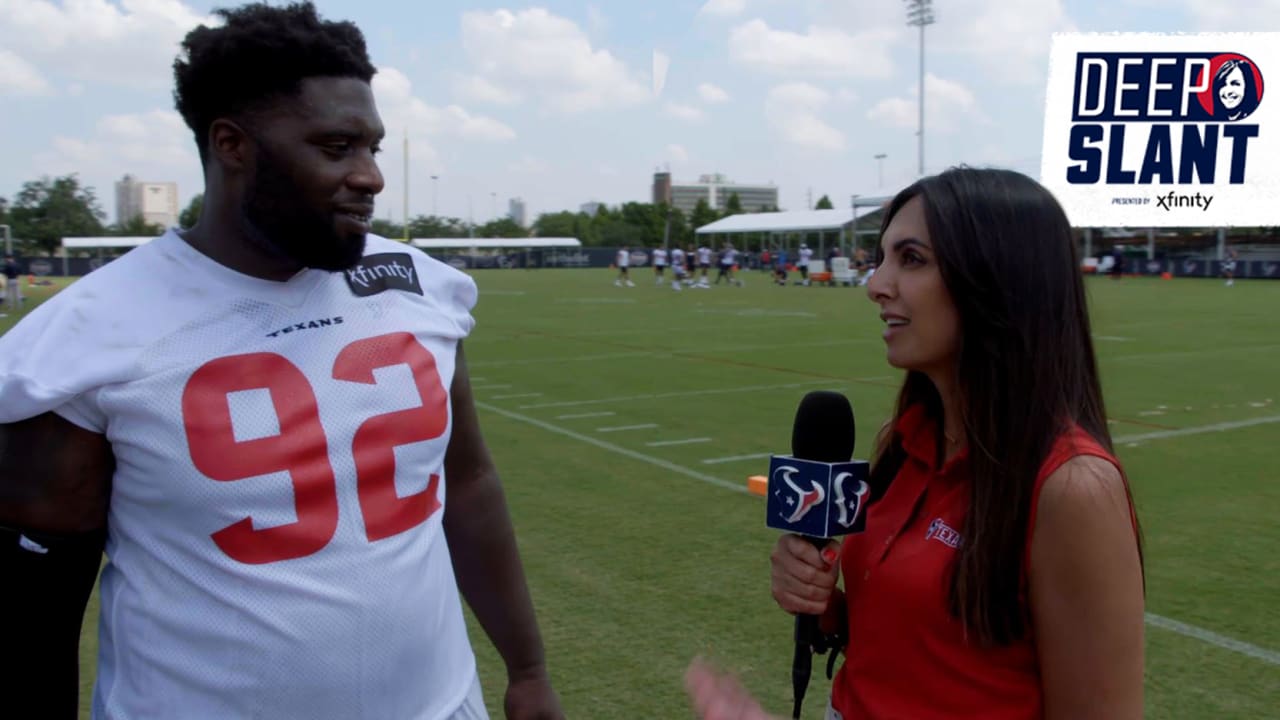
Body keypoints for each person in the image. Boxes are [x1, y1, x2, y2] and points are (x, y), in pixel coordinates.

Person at [0, 4, 563, 719]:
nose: (370, 178)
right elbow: (36, 604)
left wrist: (528, 669)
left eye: (373, 148)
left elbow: (466, 477)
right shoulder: (85, 338)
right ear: (233, 145)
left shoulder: (421, 286)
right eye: (336, 148)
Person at [688, 167, 1145, 719]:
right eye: (882, 258)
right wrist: (823, 605)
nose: (875, 284)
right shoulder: (907, 443)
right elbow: (924, 638)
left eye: (911, 259)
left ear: (996, 279)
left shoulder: (1073, 489)